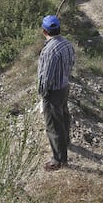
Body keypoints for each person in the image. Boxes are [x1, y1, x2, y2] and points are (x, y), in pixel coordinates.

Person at [37, 15, 75, 172]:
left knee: (53, 125)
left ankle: (58, 159)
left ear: (44, 31)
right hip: (64, 86)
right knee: (64, 116)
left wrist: (42, 93)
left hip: (53, 91)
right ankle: (65, 142)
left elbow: (46, 77)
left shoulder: (49, 50)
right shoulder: (67, 44)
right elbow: (72, 63)